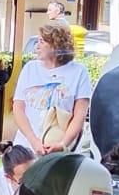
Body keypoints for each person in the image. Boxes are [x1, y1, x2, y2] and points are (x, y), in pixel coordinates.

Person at [12, 23, 93, 156]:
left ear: (56, 45)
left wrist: (63, 144)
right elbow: (18, 108)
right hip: (26, 147)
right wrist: (33, 141)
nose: (36, 46)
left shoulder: (79, 72)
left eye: (42, 42)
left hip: (60, 148)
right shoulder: (29, 69)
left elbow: (80, 114)